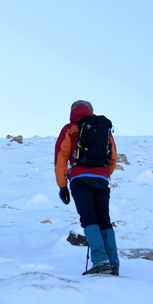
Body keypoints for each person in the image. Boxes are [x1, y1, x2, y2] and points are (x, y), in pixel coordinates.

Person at [55, 101, 119, 275]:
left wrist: (62, 185)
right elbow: (112, 157)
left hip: (79, 178)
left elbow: (61, 156)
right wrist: (104, 174)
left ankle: (99, 260)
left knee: (89, 218)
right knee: (104, 219)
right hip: (101, 178)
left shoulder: (70, 128)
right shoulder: (103, 127)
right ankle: (113, 263)